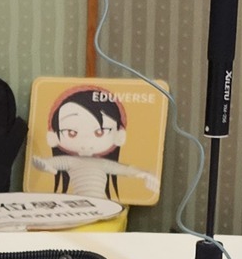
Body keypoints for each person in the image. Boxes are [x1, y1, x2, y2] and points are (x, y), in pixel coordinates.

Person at [31, 86, 159, 200]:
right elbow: (49, 163)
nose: (86, 140)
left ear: (119, 135)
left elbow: (125, 170)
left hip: (102, 204)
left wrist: (145, 174)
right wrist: (45, 166)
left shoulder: (103, 164)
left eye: (100, 132)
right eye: (71, 132)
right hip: (80, 203)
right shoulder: (70, 161)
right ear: (53, 136)